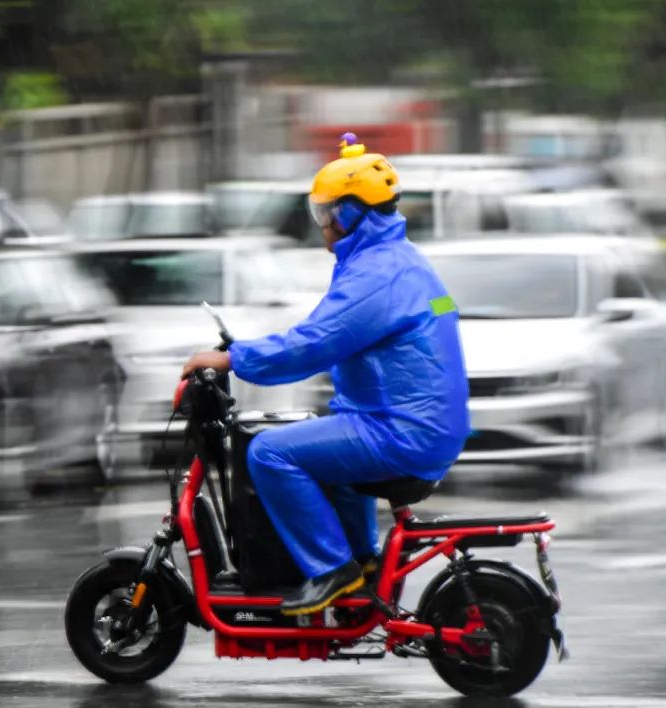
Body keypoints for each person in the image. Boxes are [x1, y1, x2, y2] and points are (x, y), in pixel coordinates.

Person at [181, 133, 470, 616]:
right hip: (421, 425)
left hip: (404, 432)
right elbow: (329, 334)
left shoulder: (376, 276)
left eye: (326, 212)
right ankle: (363, 562)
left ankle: (332, 569)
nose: (322, 224)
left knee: (270, 453)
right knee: (325, 439)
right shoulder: (396, 261)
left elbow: (313, 344)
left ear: (352, 213)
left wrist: (232, 359)